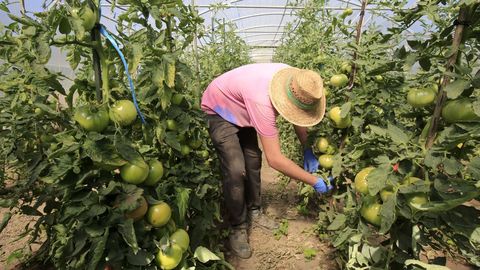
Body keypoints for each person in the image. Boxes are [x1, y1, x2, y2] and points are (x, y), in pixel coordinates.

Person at [201, 63, 333, 259]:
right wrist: (314, 181)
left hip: (244, 105)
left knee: (253, 159)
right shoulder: (262, 101)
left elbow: (297, 113)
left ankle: (254, 210)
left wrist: (307, 148)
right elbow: (275, 160)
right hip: (220, 108)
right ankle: (238, 226)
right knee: (236, 168)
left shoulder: (297, 81)